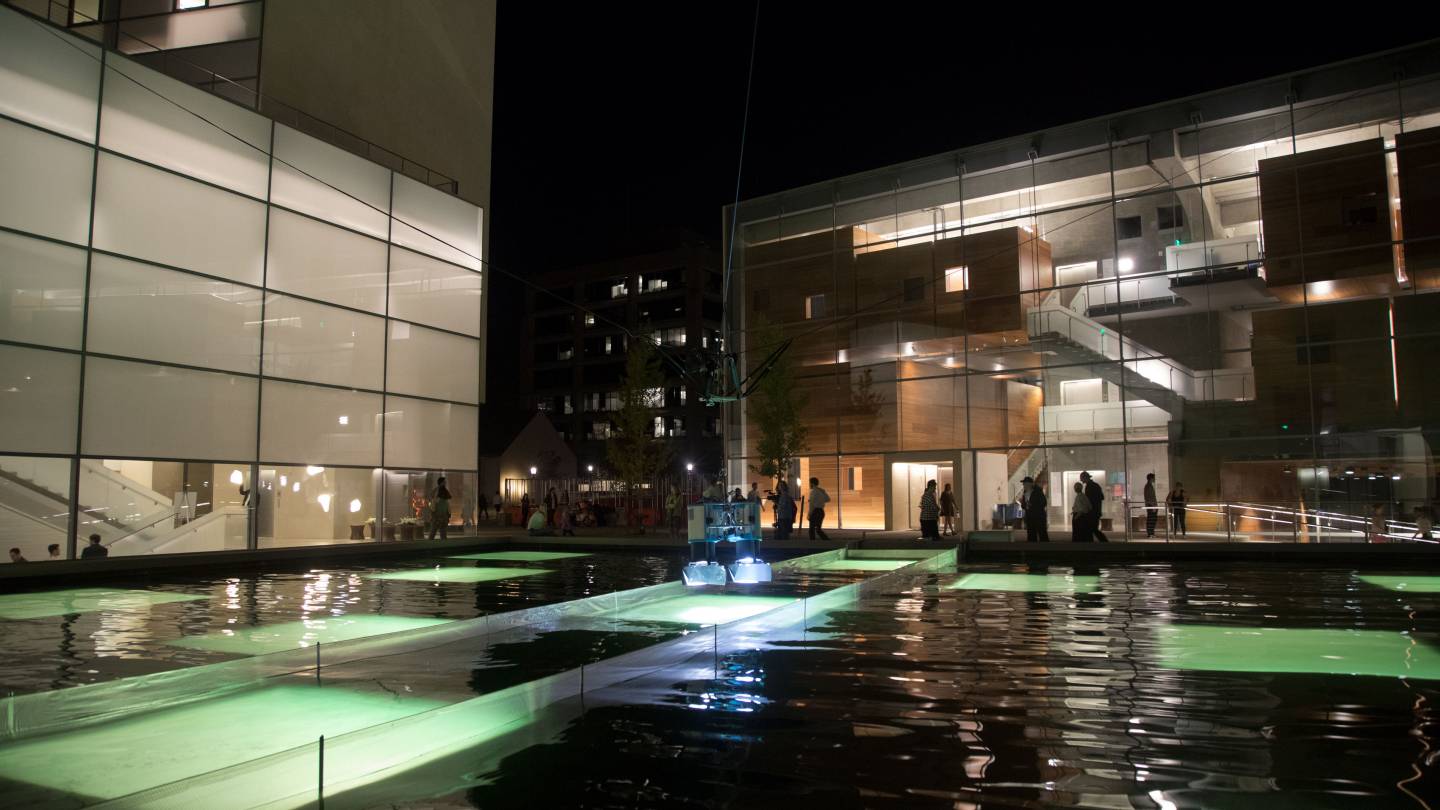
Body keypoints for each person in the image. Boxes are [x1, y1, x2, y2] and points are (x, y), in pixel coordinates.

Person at [1080, 472, 1108, 542]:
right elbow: (1102, 497)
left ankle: (1104, 542)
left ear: (1085, 478)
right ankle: (1093, 543)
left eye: (1081, 478)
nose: (1081, 480)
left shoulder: (1090, 486)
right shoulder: (1095, 485)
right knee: (1092, 529)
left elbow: (1089, 501)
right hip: (1096, 511)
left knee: (1092, 529)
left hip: (1092, 512)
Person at [1021, 476, 1049, 543]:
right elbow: (1023, 505)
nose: (1023, 485)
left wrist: (1032, 505)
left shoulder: (1038, 491)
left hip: (1039, 517)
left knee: (1042, 534)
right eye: (1023, 484)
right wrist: (1025, 506)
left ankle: (1047, 550)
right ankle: (1032, 550)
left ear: (1029, 484)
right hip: (1030, 517)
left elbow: (1044, 503)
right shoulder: (1025, 493)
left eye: (1024, 483)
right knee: (1031, 535)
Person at [1143, 473, 1159, 538]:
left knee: (1152, 519)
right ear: (1151, 478)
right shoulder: (1148, 486)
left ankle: (1151, 533)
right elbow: (1148, 497)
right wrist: (1153, 506)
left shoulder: (1149, 486)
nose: (1154, 479)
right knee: (1151, 519)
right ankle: (1150, 533)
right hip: (1151, 506)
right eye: (1154, 478)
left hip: (1152, 505)